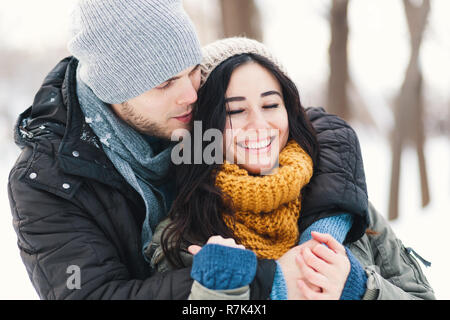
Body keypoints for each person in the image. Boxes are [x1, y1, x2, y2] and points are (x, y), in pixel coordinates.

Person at [7, 0, 368, 299]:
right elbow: (91, 295)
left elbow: (310, 126)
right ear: (112, 92)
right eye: (165, 83)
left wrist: (326, 231)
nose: (192, 95)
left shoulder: (189, 114)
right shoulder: (48, 181)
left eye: (193, 71)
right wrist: (261, 280)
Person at [147, 37, 435, 300]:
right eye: (235, 111)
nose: (259, 125)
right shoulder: (180, 236)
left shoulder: (343, 205)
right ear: (206, 124)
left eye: (271, 105)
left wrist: (361, 290)